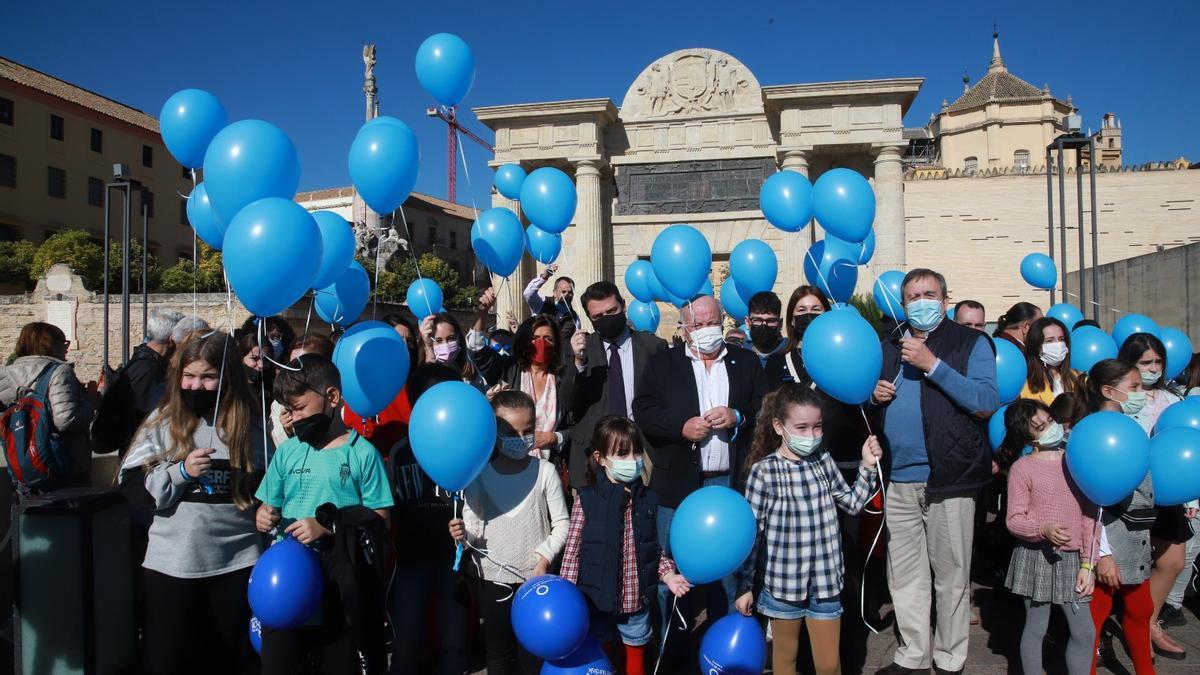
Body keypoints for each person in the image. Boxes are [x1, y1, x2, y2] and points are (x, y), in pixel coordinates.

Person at [870, 268, 999, 675]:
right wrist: (874, 394)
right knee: (905, 577)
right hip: (898, 478)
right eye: (912, 297)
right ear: (903, 305)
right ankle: (912, 656)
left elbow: (984, 401)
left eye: (929, 294)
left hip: (949, 476)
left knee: (951, 575)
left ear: (944, 300)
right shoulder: (889, 345)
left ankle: (950, 658)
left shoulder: (970, 342)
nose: (920, 302)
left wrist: (933, 365)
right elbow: (871, 400)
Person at [117, 330, 266, 675]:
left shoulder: (249, 425)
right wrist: (180, 472)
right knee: (170, 661)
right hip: (173, 568)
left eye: (207, 377)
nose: (196, 386)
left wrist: (267, 505)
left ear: (227, 377)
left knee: (229, 659)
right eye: (189, 376)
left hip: (238, 564)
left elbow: (268, 485)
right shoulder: (164, 422)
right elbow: (132, 485)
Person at [632, 294, 765, 657]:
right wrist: (680, 426)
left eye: (713, 322)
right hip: (676, 487)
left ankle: (722, 650)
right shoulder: (663, 365)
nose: (707, 330)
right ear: (684, 328)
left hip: (727, 483)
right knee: (668, 572)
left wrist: (738, 416)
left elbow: (763, 408)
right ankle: (670, 650)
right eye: (699, 324)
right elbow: (642, 410)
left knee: (727, 573)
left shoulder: (746, 362)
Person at [255, 354, 394, 674]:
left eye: (300, 408)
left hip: (339, 589)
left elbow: (381, 518)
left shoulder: (362, 453)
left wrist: (328, 526)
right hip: (287, 588)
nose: (294, 417)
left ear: (332, 397)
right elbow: (268, 504)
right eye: (288, 411)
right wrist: (262, 515)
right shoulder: (288, 450)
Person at [734, 384, 881, 675]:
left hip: (826, 584)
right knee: (785, 661)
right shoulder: (763, 472)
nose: (811, 435)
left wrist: (866, 465)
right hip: (782, 586)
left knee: (829, 664)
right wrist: (744, 587)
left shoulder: (823, 461)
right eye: (801, 427)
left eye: (817, 427)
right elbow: (753, 536)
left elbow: (851, 504)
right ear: (779, 426)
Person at [448, 390, 570, 675]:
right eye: (510, 431)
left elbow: (562, 523)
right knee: (499, 655)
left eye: (527, 431)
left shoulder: (546, 472)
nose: (519, 438)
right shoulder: (478, 476)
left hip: (535, 580)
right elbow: (474, 531)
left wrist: (544, 557)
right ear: (494, 431)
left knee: (533, 656)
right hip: (493, 581)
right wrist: (462, 534)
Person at [559, 415, 691, 675]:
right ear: (600, 458)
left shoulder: (648, 499)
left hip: (635, 601)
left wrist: (669, 575)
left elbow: (654, 549)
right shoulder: (586, 499)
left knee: (635, 660)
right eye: (621, 454)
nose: (632, 461)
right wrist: (567, 594)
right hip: (597, 600)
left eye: (636, 453)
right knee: (603, 661)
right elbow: (572, 553)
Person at [998, 399, 1097, 675]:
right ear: (1027, 436)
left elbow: (1091, 516)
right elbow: (1014, 519)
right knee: (1036, 627)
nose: (1051, 428)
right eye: (1040, 427)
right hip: (1036, 557)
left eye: (1050, 421)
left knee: (1084, 631)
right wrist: (1042, 529)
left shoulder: (1076, 460)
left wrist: (1089, 564)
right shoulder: (1022, 469)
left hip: (1075, 559)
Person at [386, 363, 468, 675]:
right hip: (410, 559)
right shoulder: (400, 452)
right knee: (405, 639)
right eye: (426, 395)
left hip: (454, 561)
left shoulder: (464, 445)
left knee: (453, 641)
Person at [1116, 331, 1191, 659]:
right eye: (1145, 362)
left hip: (1170, 492)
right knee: (1126, 566)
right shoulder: (1121, 397)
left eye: (1158, 361)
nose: (1153, 368)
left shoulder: (1173, 399)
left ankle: (1149, 622)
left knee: (1173, 559)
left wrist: (1191, 496)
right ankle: (1117, 626)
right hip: (1130, 492)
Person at [1085, 358, 1156, 674]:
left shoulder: (1132, 427)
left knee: (1140, 609)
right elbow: (1090, 499)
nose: (1142, 393)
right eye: (1135, 387)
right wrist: (1102, 554)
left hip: (1135, 536)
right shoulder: (1093, 433)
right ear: (1108, 391)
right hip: (1107, 538)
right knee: (1096, 613)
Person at [568, 281, 667, 489]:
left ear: (623, 305)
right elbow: (567, 402)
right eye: (598, 316)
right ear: (590, 318)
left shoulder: (653, 347)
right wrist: (578, 362)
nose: (606, 318)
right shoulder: (581, 350)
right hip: (595, 453)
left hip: (642, 450)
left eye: (611, 311)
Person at [473, 303, 577, 463]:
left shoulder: (563, 378)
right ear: (525, 342)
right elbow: (477, 349)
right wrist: (482, 313)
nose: (541, 343)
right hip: (507, 463)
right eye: (535, 338)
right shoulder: (509, 370)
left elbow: (576, 425)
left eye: (548, 339)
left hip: (549, 466)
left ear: (556, 346)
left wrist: (554, 437)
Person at [0, 322, 93, 490]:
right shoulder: (59, 372)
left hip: (21, 466)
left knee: (31, 512)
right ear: (50, 345)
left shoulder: (5, 375)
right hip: (62, 464)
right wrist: (91, 403)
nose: (66, 348)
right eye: (63, 343)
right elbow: (66, 420)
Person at [92, 307, 185, 454]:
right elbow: (142, 418)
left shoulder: (146, 360)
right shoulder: (148, 369)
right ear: (172, 339)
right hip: (138, 453)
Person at [342, 312, 420, 451]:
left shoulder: (418, 383)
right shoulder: (362, 386)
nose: (404, 347)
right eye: (397, 340)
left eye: (409, 342)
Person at [270, 334, 336, 446]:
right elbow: (281, 454)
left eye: (303, 365)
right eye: (292, 365)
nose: (294, 372)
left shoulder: (344, 403)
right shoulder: (280, 404)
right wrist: (287, 432)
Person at [1020, 317, 1084, 405]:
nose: (1058, 345)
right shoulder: (1023, 382)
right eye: (1049, 341)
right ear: (1036, 345)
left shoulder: (1078, 378)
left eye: (1061, 339)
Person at [420, 310, 485, 389]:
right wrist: (429, 349)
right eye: (439, 340)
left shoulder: (472, 375)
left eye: (450, 338)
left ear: (458, 339)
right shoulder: (420, 374)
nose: (446, 345)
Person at [523, 263, 580, 330]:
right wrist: (544, 277)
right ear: (554, 292)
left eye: (570, 292)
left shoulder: (574, 318)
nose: (567, 294)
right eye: (563, 292)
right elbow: (528, 293)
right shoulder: (542, 303)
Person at [744, 291, 789, 367]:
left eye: (771, 321)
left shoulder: (790, 351)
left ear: (780, 323)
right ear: (747, 322)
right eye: (757, 320)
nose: (764, 326)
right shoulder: (739, 354)